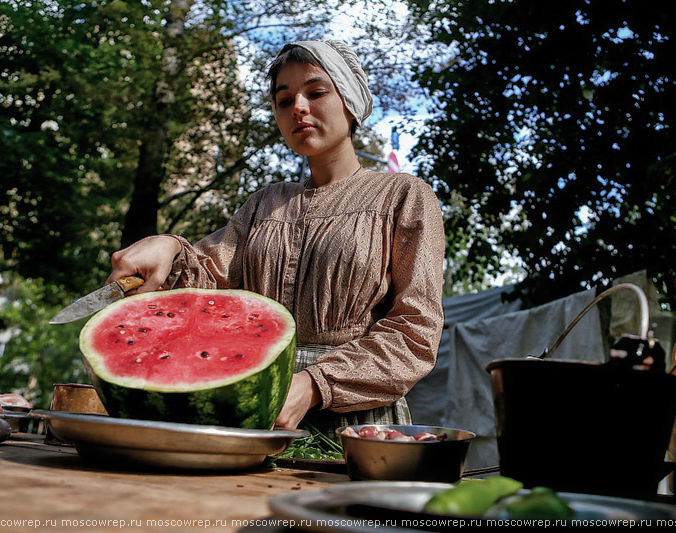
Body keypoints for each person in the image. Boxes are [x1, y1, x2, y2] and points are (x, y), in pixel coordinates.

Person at [105, 40, 445, 437]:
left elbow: (415, 331)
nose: (298, 107)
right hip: (252, 415)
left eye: (316, 93)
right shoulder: (264, 203)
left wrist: (317, 383)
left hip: (355, 428)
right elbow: (209, 279)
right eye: (284, 101)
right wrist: (167, 246)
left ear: (351, 104)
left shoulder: (405, 196)